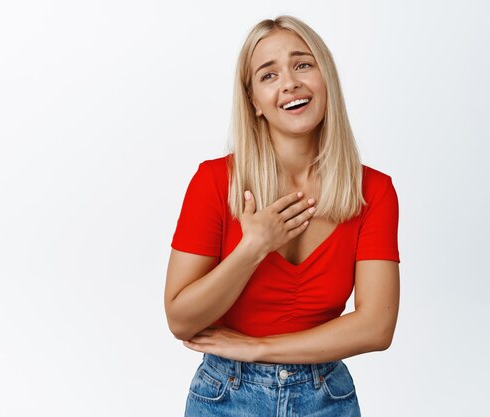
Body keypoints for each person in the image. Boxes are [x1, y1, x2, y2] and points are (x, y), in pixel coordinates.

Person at [164, 15, 400, 417]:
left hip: (328, 398)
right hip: (225, 396)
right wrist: (252, 248)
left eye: (302, 64)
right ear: (254, 101)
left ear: (326, 78)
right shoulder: (214, 182)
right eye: (268, 75)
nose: (289, 82)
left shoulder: (374, 191)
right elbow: (181, 320)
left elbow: (377, 327)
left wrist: (259, 348)